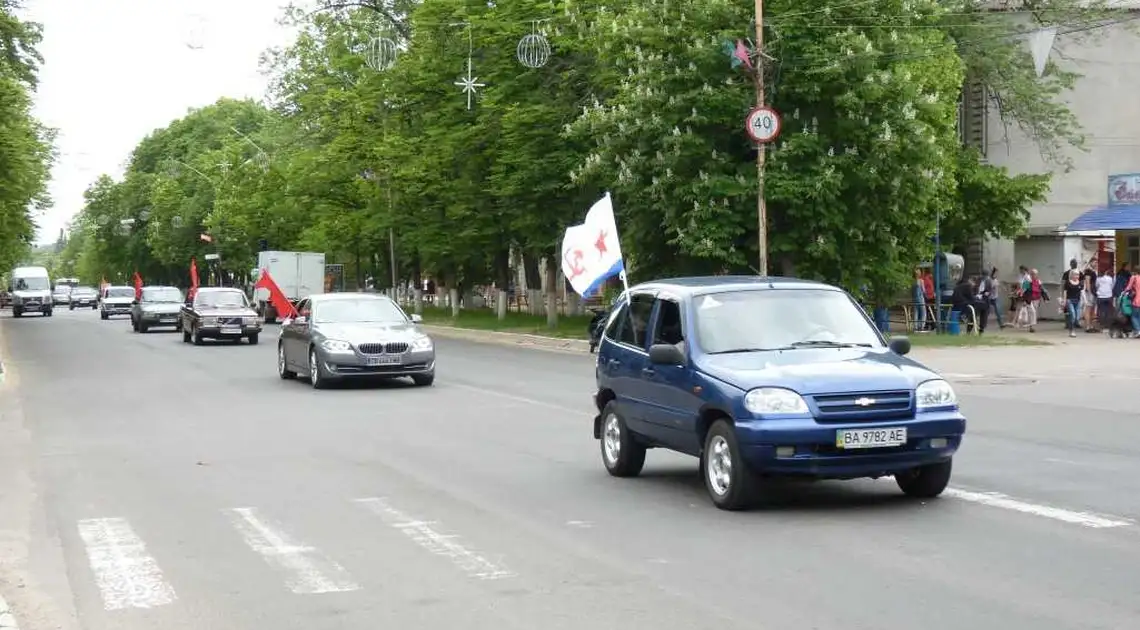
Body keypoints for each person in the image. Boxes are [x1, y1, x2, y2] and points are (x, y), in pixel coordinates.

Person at [1060, 259, 1083, 338]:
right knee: (1071, 314)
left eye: (1075, 263)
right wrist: (1063, 297)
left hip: (1077, 299)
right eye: (1073, 263)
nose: (1074, 264)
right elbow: (1063, 285)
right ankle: (1071, 329)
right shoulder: (1066, 274)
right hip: (1069, 299)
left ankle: (1074, 323)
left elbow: (1082, 288)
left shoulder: (1080, 273)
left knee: (1076, 316)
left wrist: (1084, 299)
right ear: (1070, 264)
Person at [1096, 269, 1115, 333]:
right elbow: (1112, 286)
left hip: (1100, 296)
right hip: (1108, 296)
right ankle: (1108, 326)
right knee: (1109, 311)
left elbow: (1097, 286)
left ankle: (1102, 326)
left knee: (1101, 311)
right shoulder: (1110, 278)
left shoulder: (1098, 279)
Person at [912, 268, 927, 332]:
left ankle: (915, 326)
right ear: (919, 274)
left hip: (915, 298)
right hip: (921, 298)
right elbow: (923, 291)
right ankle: (922, 326)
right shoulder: (921, 281)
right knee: (923, 312)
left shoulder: (913, 282)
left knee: (916, 312)